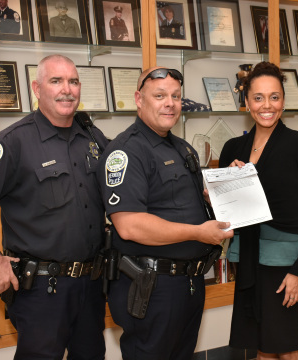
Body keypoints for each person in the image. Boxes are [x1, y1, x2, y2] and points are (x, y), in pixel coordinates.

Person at [0, 54, 109, 359]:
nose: (67, 89)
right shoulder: (13, 142)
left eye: (73, 81)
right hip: (41, 290)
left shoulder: (92, 137)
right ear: (37, 89)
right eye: (56, 81)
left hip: (90, 285)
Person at [97, 67, 233, 359]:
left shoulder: (182, 148)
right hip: (152, 287)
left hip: (188, 283)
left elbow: (189, 203)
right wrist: (198, 233)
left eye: (175, 96)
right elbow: (130, 226)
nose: (170, 103)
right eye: (159, 96)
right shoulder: (126, 151)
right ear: (139, 99)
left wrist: (229, 188)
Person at [219, 61, 298, 360]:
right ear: (247, 102)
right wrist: (219, 187)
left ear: (283, 100)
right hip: (249, 257)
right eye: (258, 97)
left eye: (275, 97)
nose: (267, 106)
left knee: (287, 346)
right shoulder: (232, 149)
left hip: (286, 265)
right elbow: (224, 212)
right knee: (261, 346)